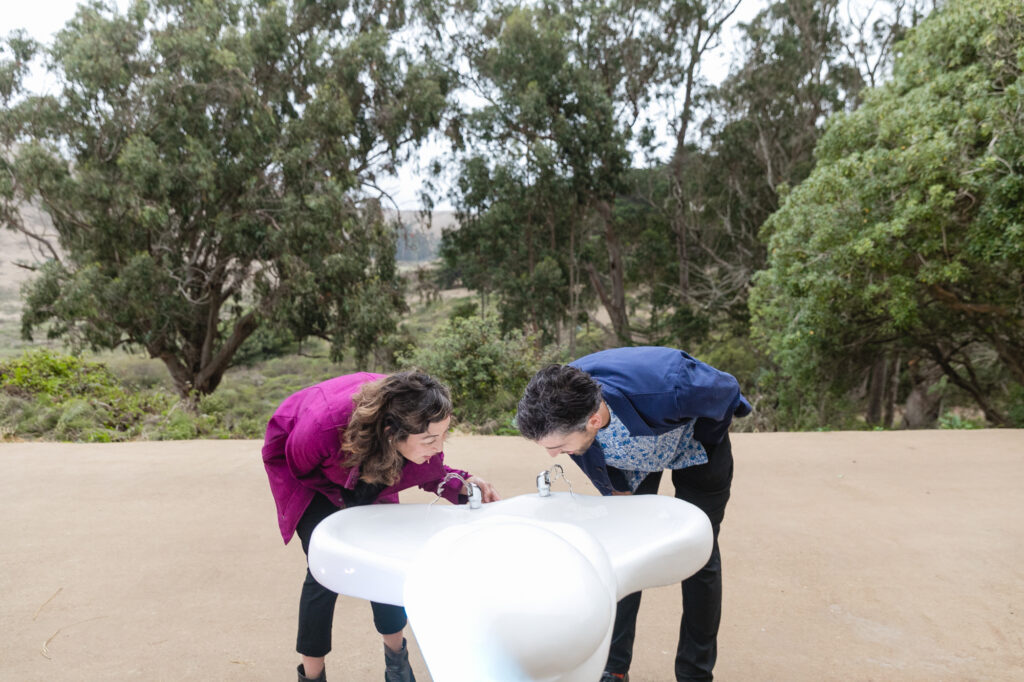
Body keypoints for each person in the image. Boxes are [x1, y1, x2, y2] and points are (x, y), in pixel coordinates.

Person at [515, 347, 750, 682]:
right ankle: (614, 667)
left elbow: (727, 391)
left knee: (701, 554)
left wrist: (705, 439)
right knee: (625, 552)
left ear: (593, 420)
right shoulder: (556, 398)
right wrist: (612, 486)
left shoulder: (674, 387)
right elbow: (579, 448)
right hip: (629, 458)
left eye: (559, 446)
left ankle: (694, 673)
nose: (553, 455)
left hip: (695, 443)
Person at [262, 371, 499, 682]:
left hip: (371, 458)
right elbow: (301, 466)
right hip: (317, 474)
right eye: (430, 439)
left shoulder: (416, 415)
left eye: (444, 435)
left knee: (383, 559)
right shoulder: (321, 428)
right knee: (323, 569)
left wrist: (461, 485)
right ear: (392, 431)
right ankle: (312, 675)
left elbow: (431, 468)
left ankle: (396, 660)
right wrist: (345, 501)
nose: (438, 446)